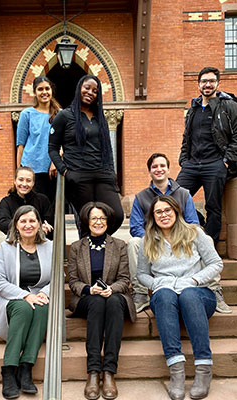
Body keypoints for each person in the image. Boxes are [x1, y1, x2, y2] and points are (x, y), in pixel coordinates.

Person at [137, 195, 223, 400]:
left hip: (198, 294)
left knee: (188, 295)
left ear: (176, 211)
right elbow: (141, 274)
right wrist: (156, 283)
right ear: (153, 216)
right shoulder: (147, 240)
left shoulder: (195, 233)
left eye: (168, 210)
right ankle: (176, 370)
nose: (164, 215)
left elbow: (216, 263)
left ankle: (203, 368)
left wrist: (194, 279)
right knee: (165, 296)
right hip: (165, 295)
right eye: (158, 212)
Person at [128, 153, 231, 314]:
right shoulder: (141, 197)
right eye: (154, 166)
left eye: (162, 166)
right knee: (134, 242)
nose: (159, 169)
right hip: (153, 242)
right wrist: (155, 239)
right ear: (149, 171)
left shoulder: (183, 193)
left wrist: (178, 237)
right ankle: (141, 293)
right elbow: (135, 227)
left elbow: (193, 223)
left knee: (206, 238)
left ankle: (214, 289)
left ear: (169, 169)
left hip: (181, 239)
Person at [67, 202, 136, 400]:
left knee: (113, 301)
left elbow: (125, 279)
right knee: (96, 301)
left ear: (108, 221)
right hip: (87, 299)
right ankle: (93, 371)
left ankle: (109, 373)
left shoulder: (119, 245)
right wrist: (89, 289)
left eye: (102, 218)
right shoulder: (77, 247)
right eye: (94, 218)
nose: (98, 222)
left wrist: (110, 289)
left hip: (114, 297)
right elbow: (73, 281)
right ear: (86, 222)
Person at [0, 205, 52, 399]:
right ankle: (9, 369)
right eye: (23, 221)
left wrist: (44, 293)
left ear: (39, 224)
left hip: (38, 295)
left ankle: (26, 369)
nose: (28, 225)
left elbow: (57, 276)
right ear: (16, 225)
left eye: (32, 220)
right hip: (10, 297)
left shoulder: (49, 246)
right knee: (24, 308)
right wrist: (24, 295)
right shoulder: (6, 247)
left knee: (41, 307)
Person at [49, 75, 124, 237]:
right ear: (79, 89)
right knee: (87, 221)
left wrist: (112, 173)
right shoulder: (64, 116)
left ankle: (97, 241)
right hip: (79, 176)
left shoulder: (100, 117)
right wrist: (65, 171)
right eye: (87, 88)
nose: (90, 92)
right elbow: (52, 148)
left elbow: (107, 148)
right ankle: (87, 256)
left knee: (116, 216)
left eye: (95, 91)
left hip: (103, 174)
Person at [177, 66, 237, 246]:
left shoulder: (229, 106)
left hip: (216, 164)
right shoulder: (193, 108)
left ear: (218, 83)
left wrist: (226, 161)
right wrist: (184, 160)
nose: (207, 84)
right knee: (174, 199)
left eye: (211, 81)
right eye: (204, 81)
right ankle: (199, 222)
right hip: (192, 164)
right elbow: (187, 137)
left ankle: (210, 249)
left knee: (213, 207)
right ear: (199, 84)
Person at [16, 76, 60, 203]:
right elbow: (21, 145)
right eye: (40, 89)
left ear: (52, 90)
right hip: (31, 169)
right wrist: (19, 172)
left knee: (51, 207)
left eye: (47, 88)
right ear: (35, 92)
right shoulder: (26, 114)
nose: (44, 92)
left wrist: (55, 161)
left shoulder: (60, 114)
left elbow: (63, 144)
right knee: (33, 208)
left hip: (53, 170)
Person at [0, 166, 53, 238]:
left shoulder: (42, 200)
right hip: (15, 241)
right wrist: (30, 228)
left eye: (28, 180)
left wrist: (43, 228)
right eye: (21, 180)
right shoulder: (6, 202)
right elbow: (3, 224)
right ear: (15, 181)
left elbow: (49, 222)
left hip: (39, 241)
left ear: (33, 183)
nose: (24, 184)